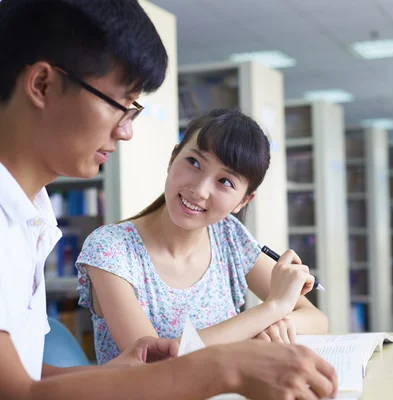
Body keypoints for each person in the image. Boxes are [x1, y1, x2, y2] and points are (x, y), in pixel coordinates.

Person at [0, 1, 337, 399]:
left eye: (133, 111)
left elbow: (28, 379)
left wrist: (120, 374)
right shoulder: (79, 239)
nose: (125, 131)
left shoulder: (31, 216)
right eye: (119, 105)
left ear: (246, 198)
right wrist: (225, 366)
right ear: (42, 85)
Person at [76, 109, 328, 364]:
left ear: (243, 200)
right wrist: (272, 309)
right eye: (194, 163)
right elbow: (155, 363)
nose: (199, 190)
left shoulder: (228, 235)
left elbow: (317, 319)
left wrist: (278, 324)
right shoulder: (110, 248)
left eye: (225, 181)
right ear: (173, 158)